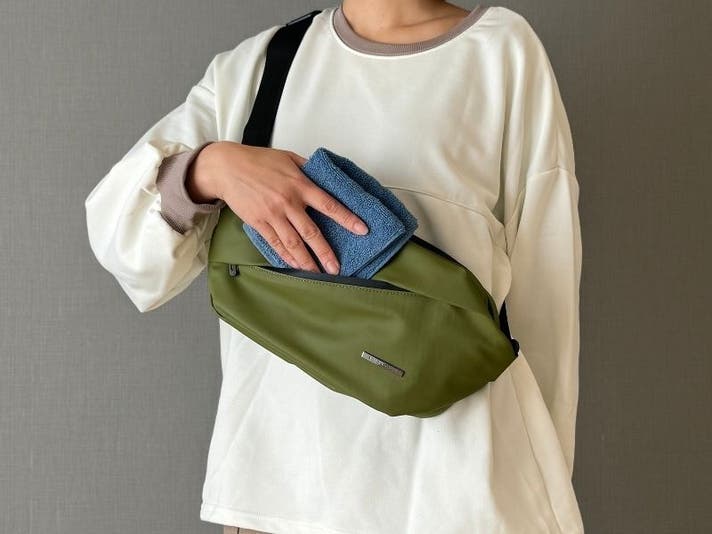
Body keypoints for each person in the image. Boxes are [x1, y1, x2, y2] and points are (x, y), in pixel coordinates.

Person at [84, 1, 584, 532]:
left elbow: (546, 300)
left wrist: (544, 493)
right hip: (279, 495)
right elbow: (120, 233)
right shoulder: (264, 66)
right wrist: (210, 169)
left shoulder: (501, 50)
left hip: (450, 496)